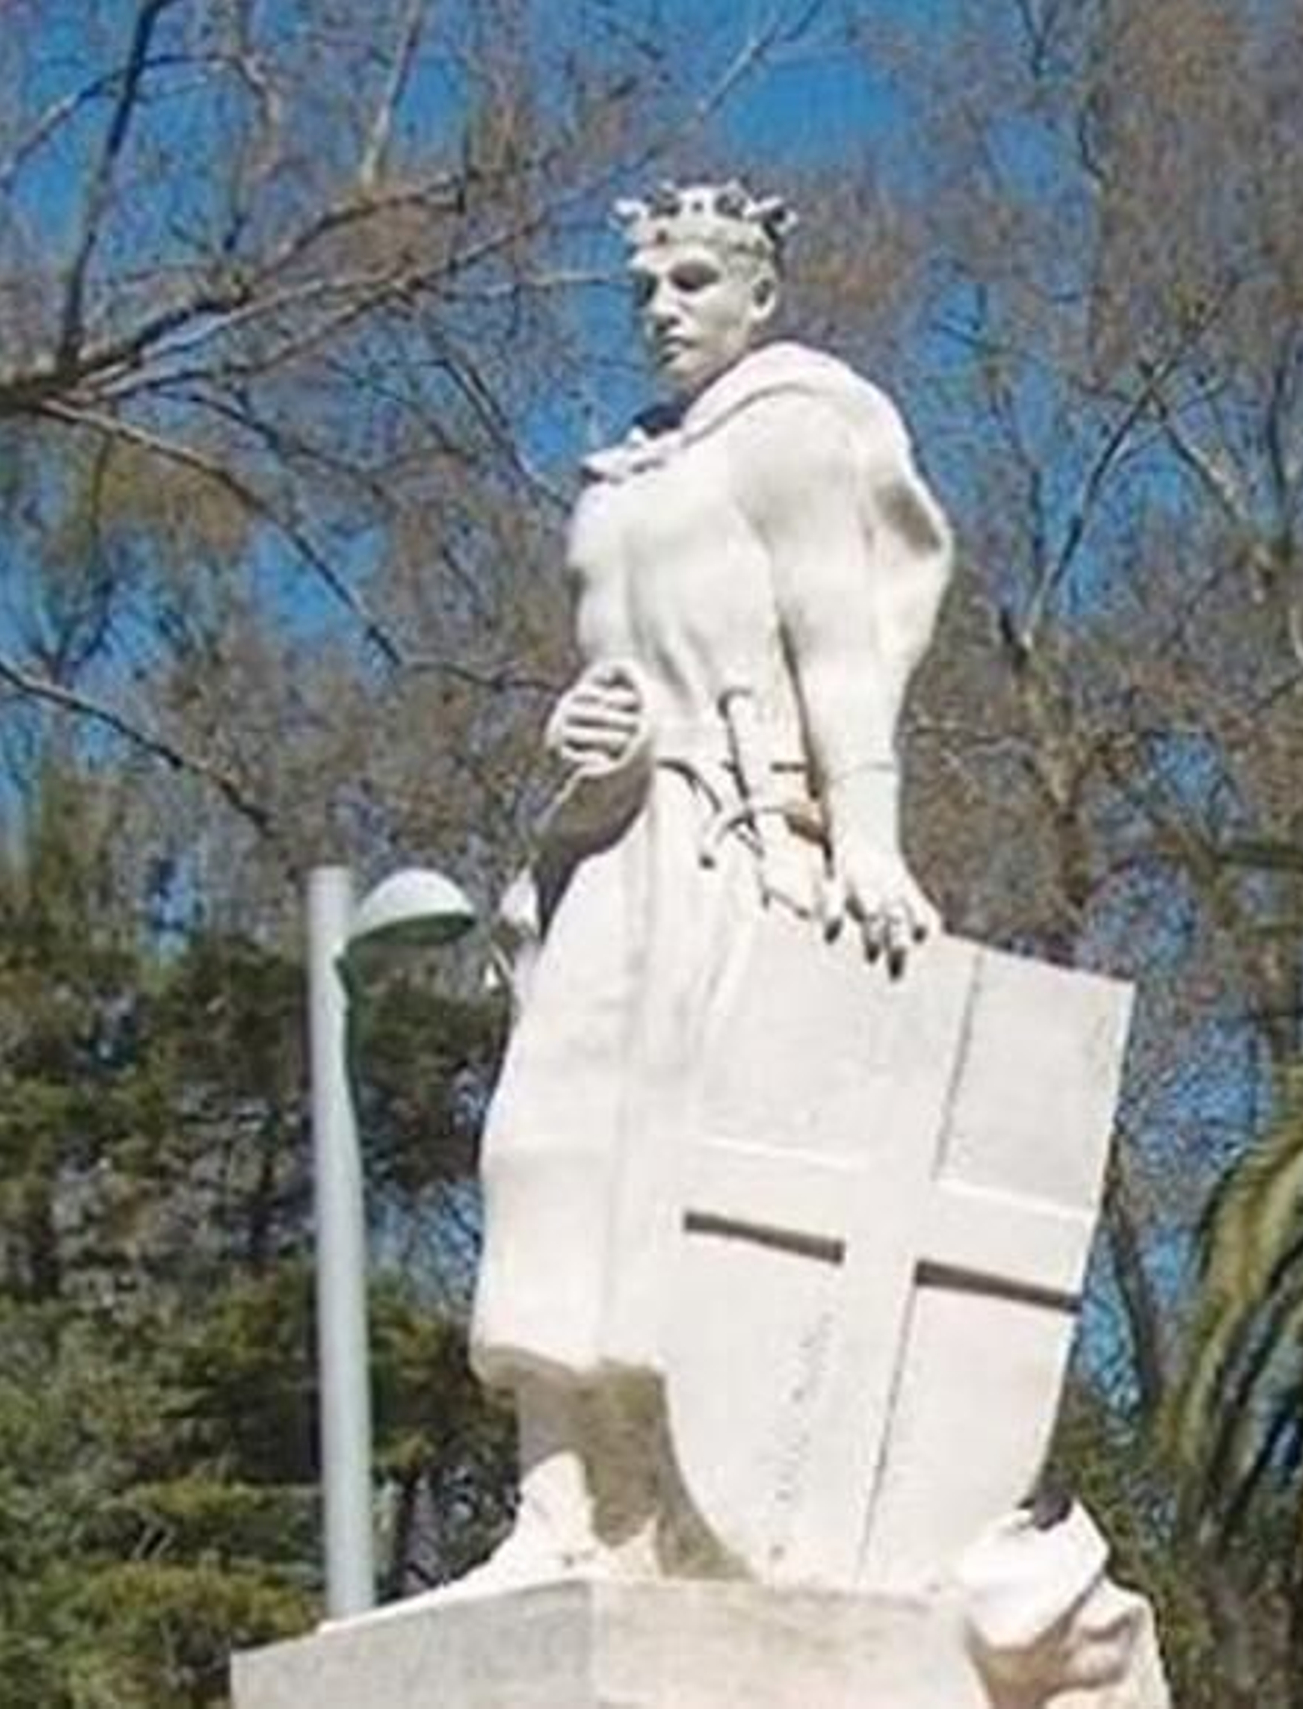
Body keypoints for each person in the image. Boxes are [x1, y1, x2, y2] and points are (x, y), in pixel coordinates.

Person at [465, 181, 955, 1583]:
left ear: (758, 292)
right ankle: (558, 1505)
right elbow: (618, 660)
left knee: (697, 1180)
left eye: (691, 281)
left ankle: (700, 1507)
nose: (663, 309)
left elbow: (837, 637)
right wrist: (580, 727)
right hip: (614, 848)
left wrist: (866, 836)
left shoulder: (793, 427)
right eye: (645, 288)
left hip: (741, 845)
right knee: (547, 1150)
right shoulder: (623, 467)